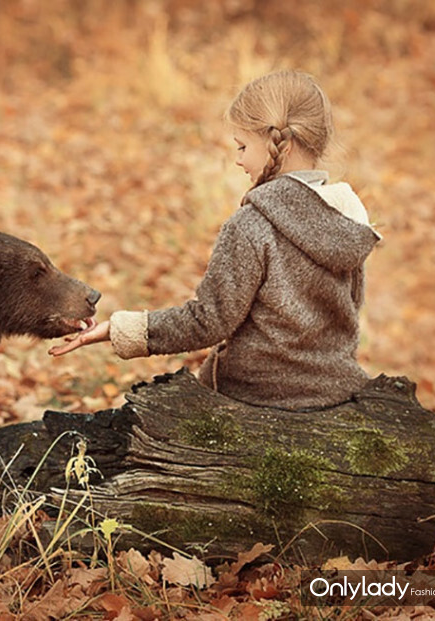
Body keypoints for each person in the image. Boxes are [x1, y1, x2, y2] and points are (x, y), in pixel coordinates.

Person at [49, 70, 381, 411]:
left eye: (242, 146)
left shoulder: (252, 225)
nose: (237, 159)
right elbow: (348, 315)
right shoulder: (347, 218)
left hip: (250, 395)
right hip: (334, 393)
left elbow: (208, 321)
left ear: (278, 142)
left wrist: (119, 329)